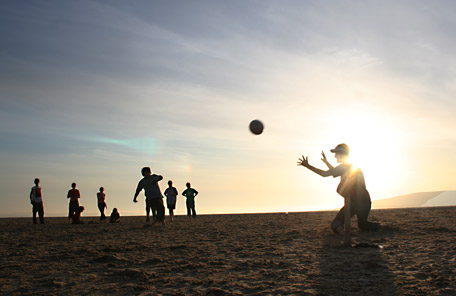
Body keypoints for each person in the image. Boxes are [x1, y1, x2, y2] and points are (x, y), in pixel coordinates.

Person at [297, 143, 380, 234]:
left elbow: (325, 174)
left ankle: (343, 235)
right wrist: (327, 162)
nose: (335, 156)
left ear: (342, 154)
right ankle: (378, 226)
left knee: (336, 224)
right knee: (363, 225)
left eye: (337, 154)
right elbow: (335, 172)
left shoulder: (343, 167)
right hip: (365, 200)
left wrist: (307, 165)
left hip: (354, 202)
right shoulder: (353, 167)